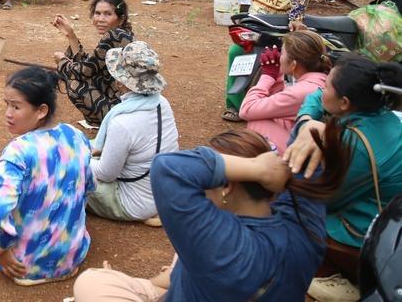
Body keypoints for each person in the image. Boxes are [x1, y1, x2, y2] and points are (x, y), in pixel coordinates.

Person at [74, 128, 344, 302]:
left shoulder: (221, 247)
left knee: (91, 282)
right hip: (212, 285)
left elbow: (169, 169)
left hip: (211, 276)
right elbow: (307, 159)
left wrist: (259, 169)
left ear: (227, 186)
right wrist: (312, 126)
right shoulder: (303, 227)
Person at [0, 67, 94, 286]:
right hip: (71, 257)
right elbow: (88, 187)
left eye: (16, 106)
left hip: (24, 265)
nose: (8, 113)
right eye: (7, 104)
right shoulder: (75, 136)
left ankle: (7, 253)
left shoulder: (19, 151)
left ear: (41, 111)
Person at [284, 54, 402, 300]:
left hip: (366, 237)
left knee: (290, 210)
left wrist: (303, 131)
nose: (321, 88)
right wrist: (307, 121)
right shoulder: (385, 115)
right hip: (392, 217)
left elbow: (326, 198)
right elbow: (317, 97)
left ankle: (332, 275)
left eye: (327, 85)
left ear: (345, 103)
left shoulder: (355, 144)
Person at [86, 41, 178, 224]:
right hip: (163, 192)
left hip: (133, 202)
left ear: (121, 82)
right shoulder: (161, 104)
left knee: (64, 175)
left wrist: (75, 159)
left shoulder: (122, 123)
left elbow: (106, 173)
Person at [239, 31, 330, 154]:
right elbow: (277, 105)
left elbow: (247, 110)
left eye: (283, 52)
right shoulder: (318, 79)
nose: (280, 55)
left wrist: (268, 76)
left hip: (301, 154)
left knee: (257, 121)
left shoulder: (303, 91)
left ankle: (279, 168)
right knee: (264, 116)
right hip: (308, 139)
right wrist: (277, 74)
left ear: (294, 65)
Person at [54, 0, 135, 127]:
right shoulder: (123, 34)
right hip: (127, 106)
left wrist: (62, 61)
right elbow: (90, 65)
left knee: (74, 83)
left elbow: (84, 71)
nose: (101, 19)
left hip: (122, 113)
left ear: (121, 18)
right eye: (97, 13)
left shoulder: (114, 36)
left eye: (108, 14)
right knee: (82, 74)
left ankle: (105, 123)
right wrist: (70, 35)